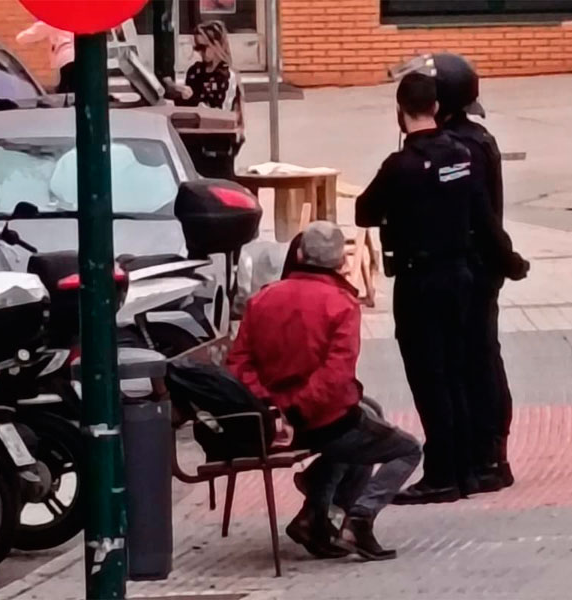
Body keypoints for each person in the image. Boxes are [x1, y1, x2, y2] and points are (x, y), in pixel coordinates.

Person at [356, 73, 514, 505]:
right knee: (460, 371)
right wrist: (511, 262)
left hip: (420, 280)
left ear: (400, 111)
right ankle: (467, 467)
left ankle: (442, 473)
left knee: (430, 378)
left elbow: (363, 211)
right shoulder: (463, 154)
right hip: (461, 277)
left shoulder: (400, 166)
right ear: (438, 108)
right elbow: (484, 216)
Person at [226, 221, 421, 561]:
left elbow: (239, 364)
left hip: (270, 422)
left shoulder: (263, 299)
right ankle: (357, 517)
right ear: (340, 263)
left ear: (299, 254)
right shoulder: (341, 304)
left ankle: (315, 514)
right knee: (405, 449)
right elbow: (335, 377)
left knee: (366, 416)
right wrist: (297, 410)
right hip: (319, 421)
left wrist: (274, 408)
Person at [427, 53, 530, 492]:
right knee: (475, 358)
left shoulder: (461, 147)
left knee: (476, 360)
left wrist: (503, 257)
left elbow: (478, 213)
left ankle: (488, 452)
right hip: (478, 265)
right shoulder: (472, 138)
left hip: (472, 267)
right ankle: (481, 449)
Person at [168, 21, 245, 140]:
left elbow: (220, 113)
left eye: (203, 47)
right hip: (193, 135)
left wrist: (192, 98)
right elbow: (187, 108)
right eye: (197, 47)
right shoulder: (195, 71)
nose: (200, 52)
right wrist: (179, 94)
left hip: (219, 138)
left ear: (216, 45)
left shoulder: (227, 75)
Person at [16, 21, 74, 94]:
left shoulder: (54, 19)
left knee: (66, 89)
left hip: (66, 58)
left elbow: (31, 34)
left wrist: (20, 38)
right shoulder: (75, 17)